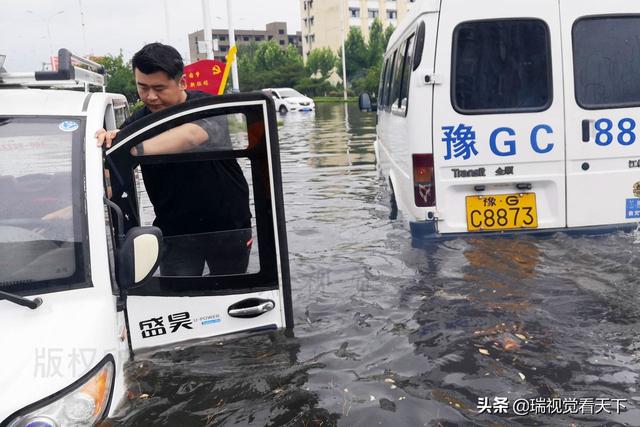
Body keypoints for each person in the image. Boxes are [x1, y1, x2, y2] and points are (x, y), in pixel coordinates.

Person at [96, 43, 252, 276]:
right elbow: (113, 171)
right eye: (143, 87)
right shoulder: (138, 121)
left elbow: (190, 136)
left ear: (182, 82)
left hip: (228, 225)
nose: (150, 96)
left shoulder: (209, 107)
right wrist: (107, 142)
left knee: (230, 291)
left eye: (159, 88)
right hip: (175, 230)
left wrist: (127, 148)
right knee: (177, 295)